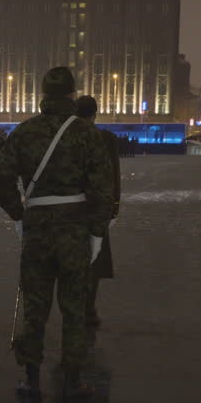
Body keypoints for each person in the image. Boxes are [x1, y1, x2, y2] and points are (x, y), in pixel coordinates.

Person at [0, 67, 114, 400]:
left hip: (38, 231)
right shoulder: (87, 134)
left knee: (35, 306)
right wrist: (97, 232)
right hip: (75, 230)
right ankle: (72, 380)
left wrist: (19, 215)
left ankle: (31, 379)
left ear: (43, 94)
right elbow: (104, 189)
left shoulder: (25, 131)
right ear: (73, 94)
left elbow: (0, 182)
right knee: (74, 308)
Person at [74, 96, 120, 327]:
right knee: (94, 260)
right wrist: (113, 207)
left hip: (70, 208)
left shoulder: (67, 137)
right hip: (96, 208)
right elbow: (113, 177)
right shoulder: (106, 138)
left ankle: (72, 309)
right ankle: (89, 310)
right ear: (95, 113)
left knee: (72, 261)